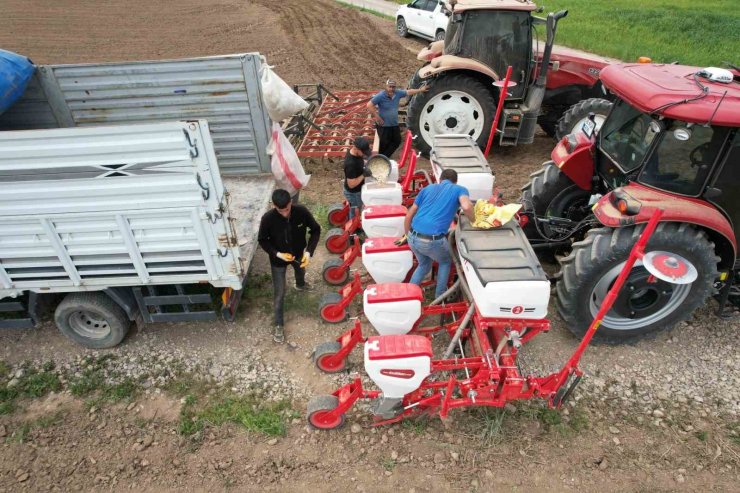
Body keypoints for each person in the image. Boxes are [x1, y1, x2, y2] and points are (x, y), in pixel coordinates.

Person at [258, 189, 321, 343]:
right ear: (274, 205)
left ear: (291, 202)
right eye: (281, 210)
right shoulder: (268, 219)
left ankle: (300, 285)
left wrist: (308, 253)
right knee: (279, 293)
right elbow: (262, 240)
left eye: (287, 209)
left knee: (301, 271)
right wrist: (277, 254)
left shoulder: (301, 212)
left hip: (299, 254)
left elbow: (316, 230)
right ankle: (279, 324)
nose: (285, 213)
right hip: (278, 260)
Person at [401, 169, 474, 298]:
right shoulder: (459, 189)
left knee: (424, 264)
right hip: (431, 240)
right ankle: (440, 296)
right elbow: (467, 207)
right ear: (455, 181)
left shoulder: (427, 189)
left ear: (440, 179)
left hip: (412, 235)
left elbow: (408, 216)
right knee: (445, 261)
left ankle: (409, 295)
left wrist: (408, 236)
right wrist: (474, 221)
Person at [367, 79, 429, 158]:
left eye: (393, 87)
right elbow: (369, 105)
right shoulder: (380, 96)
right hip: (384, 126)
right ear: (386, 87)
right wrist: (377, 116)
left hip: (394, 124)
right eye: (390, 87)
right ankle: (382, 158)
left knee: (397, 141)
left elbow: (409, 92)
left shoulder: (398, 93)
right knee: (384, 144)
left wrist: (420, 90)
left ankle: (384, 157)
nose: (392, 89)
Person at [343, 136, 372, 219]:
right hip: (353, 193)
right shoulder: (350, 164)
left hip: (358, 190)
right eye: (363, 152)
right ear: (356, 148)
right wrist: (364, 174)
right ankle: (354, 227)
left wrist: (366, 163)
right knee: (355, 210)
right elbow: (351, 184)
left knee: (357, 207)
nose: (364, 154)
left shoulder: (355, 153)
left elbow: (360, 160)